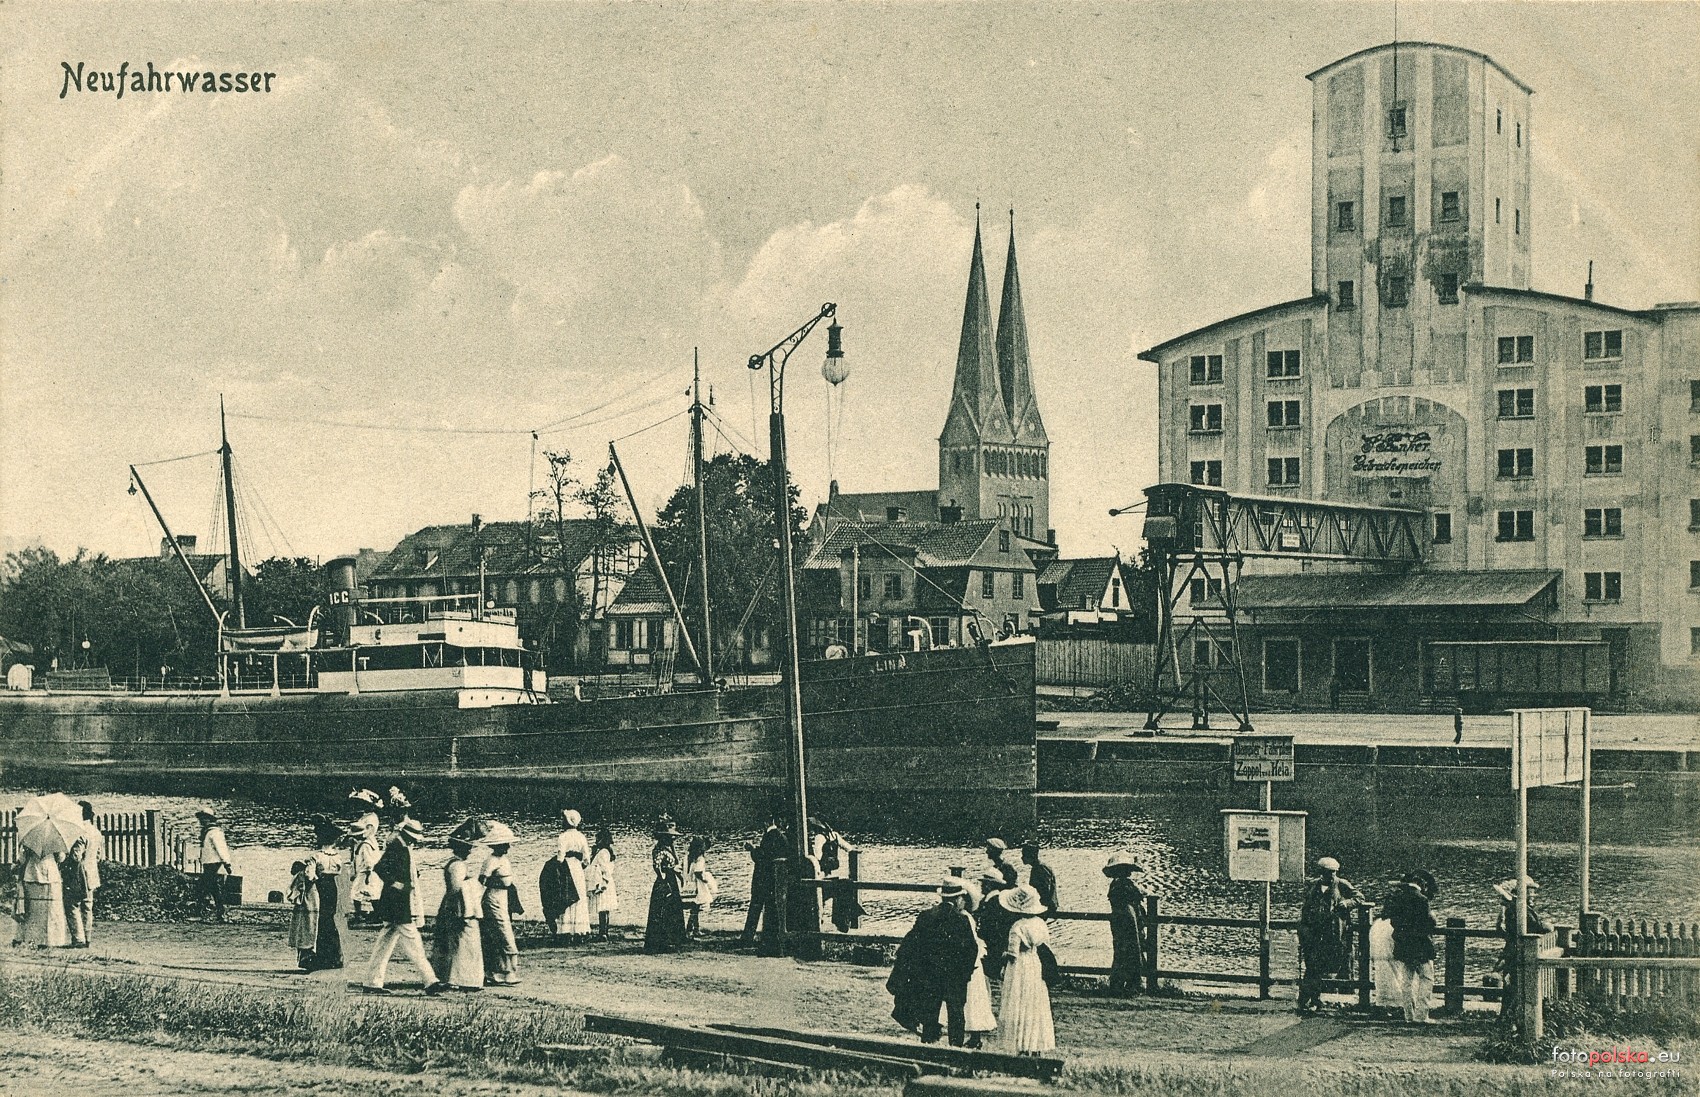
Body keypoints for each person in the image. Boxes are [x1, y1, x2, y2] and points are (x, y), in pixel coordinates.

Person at [887, 875, 980, 1046]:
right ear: (958, 899)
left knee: (930, 1013)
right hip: (954, 977)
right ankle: (956, 1049)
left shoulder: (926, 916)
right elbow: (971, 950)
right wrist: (965, 974)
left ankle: (928, 1046)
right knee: (956, 1014)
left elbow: (912, 944)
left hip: (930, 975)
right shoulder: (961, 920)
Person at [362, 817, 443, 996]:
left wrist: (399, 880)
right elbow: (380, 868)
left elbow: (383, 868)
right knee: (413, 941)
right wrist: (395, 883)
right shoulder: (398, 847)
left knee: (385, 943)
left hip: (393, 901)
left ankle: (372, 982)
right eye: (414, 838)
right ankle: (430, 980)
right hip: (398, 903)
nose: (415, 841)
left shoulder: (400, 846)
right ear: (408, 835)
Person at [995, 884, 1056, 1055]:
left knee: (1018, 999)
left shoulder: (1017, 927)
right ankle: (1034, 1043)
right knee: (1034, 1001)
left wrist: (1002, 957)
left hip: (1019, 965)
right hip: (1034, 962)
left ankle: (1021, 1043)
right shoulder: (1040, 924)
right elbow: (1044, 944)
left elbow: (1013, 953)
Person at [1296, 856, 1361, 1013]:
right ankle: (1309, 1000)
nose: (1331, 875)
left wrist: (1347, 903)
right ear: (1321, 872)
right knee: (1312, 967)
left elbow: (1359, 897)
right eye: (1328, 872)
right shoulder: (1314, 887)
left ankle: (1324, 999)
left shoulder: (1342, 884)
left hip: (1333, 934)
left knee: (1333, 966)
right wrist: (1304, 932)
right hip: (1314, 934)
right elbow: (1306, 910)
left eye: (1333, 872)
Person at [1493, 876, 1552, 1018]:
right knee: (1515, 985)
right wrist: (1547, 926)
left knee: (1514, 985)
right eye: (1530, 892)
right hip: (1518, 952)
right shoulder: (1518, 909)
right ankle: (1512, 1017)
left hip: (1515, 951)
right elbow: (1535, 926)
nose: (1533, 895)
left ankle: (1509, 1016)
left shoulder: (1518, 908)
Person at [431, 832, 484, 991]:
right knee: (463, 941)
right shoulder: (458, 866)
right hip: (459, 905)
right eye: (467, 848)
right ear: (460, 848)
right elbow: (456, 888)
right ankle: (462, 978)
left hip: (452, 903)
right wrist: (472, 884)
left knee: (452, 941)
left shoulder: (453, 863)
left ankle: (449, 976)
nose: (470, 851)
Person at [1386, 869, 1439, 1023]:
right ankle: (1421, 1016)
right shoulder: (1422, 900)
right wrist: (1433, 918)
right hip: (1421, 946)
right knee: (1426, 978)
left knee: (1406, 981)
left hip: (1404, 945)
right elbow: (1428, 923)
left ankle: (1408, 1015)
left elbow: (1393, 922)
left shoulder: (1398, 898)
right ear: (1421, 883)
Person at [479, 822, 521, 986]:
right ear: (496, 845)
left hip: (503, 898)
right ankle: (503, 972)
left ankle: (503, 972)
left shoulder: (503, 859)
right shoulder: (491, 861)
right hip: (493, 899)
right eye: (504, 844)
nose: (508, 847)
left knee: (502, 932)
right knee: (502, 933)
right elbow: (482, 881)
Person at [958, 879, 999, 1048]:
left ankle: (975, 1035)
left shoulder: (966, 918)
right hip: (969, 961)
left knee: (972, 997)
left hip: (970, 963)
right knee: (970, 998)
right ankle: (973, 1036)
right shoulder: (964, 917)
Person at [306, 818, 346, 970]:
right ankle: (335, 957)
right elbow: (340, 872)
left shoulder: (316, 856)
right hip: (333, 887)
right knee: (331, 919)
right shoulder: (337, 857)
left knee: (321, 921)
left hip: (320, 887)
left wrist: (312, 878)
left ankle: (323, 957)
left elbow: (310, 875)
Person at [1104, 852, 1146, 996]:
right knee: (1131, 952)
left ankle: (1120, 985)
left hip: (1121, 922)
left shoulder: (1117, 885)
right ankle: (1130, 986)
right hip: (1127, 921)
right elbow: (1137, 896)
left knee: (1122, 953)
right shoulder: (1124, 886)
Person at [645, 817, 688, 953]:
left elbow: (675, 863)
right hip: (665, 881)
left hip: (671, 879)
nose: (672, 839)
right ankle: (661, 941)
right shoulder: (659, 850)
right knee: (663, 910)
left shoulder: (668, 849)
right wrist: (663, 877)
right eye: (670, 837)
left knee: (673, 908)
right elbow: (656, 865)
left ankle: (673, 940)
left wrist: (680, 877)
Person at [741, 813, 786, 944]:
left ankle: (747, 938)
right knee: (770, 909)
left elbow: (762, 858)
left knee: (755, 908)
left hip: (762, 880)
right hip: (772, 880)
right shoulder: (780, 836)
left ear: (766, 823)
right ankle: (769, 937)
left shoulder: (769, 836)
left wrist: (752, 849)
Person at [18, 848, 70, 948]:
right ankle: (51, 940)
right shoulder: (54, 842)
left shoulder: (29, 842)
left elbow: (22, 859)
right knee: (51, 910)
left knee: (35, 911)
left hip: (32, 875)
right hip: (50, 875)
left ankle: (34, 940)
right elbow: (61, 858)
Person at [67, 801, 101, 948]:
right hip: (92, 874)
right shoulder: (96, 832)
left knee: (72, 905)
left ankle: (78, 938)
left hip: (79, 875)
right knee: (87, 907)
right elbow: (98, 856)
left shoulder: (79, 832)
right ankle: (87, 938)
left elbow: (76, 857)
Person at [553, 809, 591, 941]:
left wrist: (557, 867)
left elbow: (560, 856)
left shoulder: (563, 837)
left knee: (566, 896)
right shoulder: (581, 837)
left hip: (566, 868)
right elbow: (587, 859)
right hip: (577, 869)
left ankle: (566, 930)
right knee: (579, 897)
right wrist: (581, 866)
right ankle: (580, 931)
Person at [347, 791, 383, 926]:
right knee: (365, 887)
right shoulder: (365, 816)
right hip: (362, 847)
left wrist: (357, 836)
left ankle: (364, 914)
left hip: (367, 847)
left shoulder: (372, 818)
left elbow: (367, 832)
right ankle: (368, 913)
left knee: (364, 887)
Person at [974, 867, 1015, 982]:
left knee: (991, 973)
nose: (982, 886)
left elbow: (995, 925)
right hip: (990, 942)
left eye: (984, 884)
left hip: (993, 943)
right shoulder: (988, 900)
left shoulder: (995, 902)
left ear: (990, 885)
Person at [194, 809, 233, 922]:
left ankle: (201, 912)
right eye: (201, 819)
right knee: (213, 887)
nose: (201, 821)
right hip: (208, 863)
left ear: (209, 819)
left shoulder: (215, 832)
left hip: (214, 863)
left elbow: (221, 849)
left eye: (204, 818)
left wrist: (226, 862)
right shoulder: (207, 831)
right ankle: (220, 913)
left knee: (204, 887)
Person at [287, 859, 319, 970]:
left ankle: (304, 958)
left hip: (304, 905)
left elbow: (293, 893)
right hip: (313, 903)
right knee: (310, 929)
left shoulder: (300, 876)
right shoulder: (309, 875)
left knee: (303, 931)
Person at [587, 825, 619, 939]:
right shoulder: (606, 852)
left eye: (598, 838)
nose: (596, 841)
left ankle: (603, 933)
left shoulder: (603, 852)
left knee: (603, 908)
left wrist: (602, 883)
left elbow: (604, 869)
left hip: (603, 882)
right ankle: (604, 931)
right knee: (605, 908)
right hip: (606, 881)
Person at [683, 836, 718, 938]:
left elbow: (679, 869)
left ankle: (695, 929)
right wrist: (705, 879)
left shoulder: (687, 857)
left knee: (694, 908)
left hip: (688, 884)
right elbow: (698, 872)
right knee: (695, 908)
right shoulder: (700, 859)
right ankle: (690, 930)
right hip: (697, 885)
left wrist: (685, 877)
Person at [1021, 842, 1059, 914]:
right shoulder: (1037, 867)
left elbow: (1046, 890)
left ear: (1032, 856)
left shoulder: (1041, 868)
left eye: (1024, 855)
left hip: (1046, 906)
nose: (1022, 858)